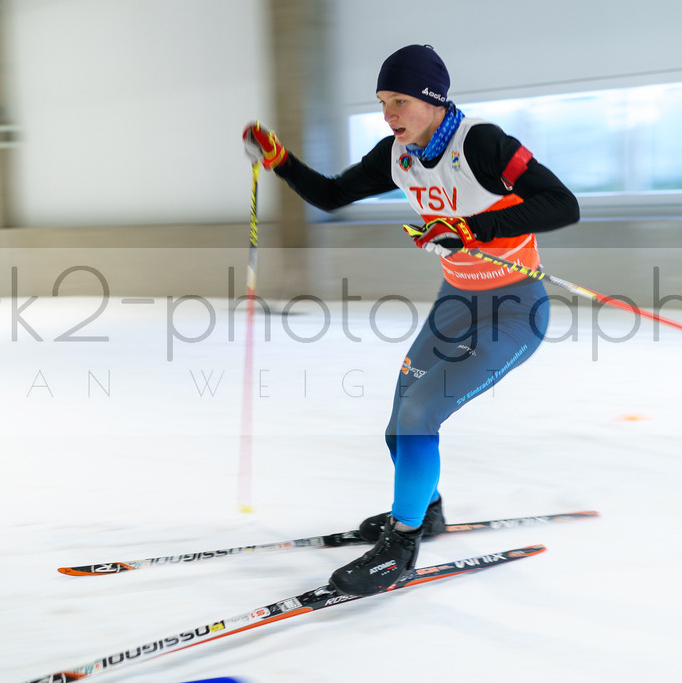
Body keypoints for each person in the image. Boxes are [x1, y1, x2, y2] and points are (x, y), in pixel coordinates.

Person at [243, 44, 579, 596]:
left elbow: (563, 203)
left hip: (515, 310)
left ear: (433, 99)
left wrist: (471, 230)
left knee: (422, 413)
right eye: (382, 102)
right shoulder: (396, 154)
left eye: (400, 100)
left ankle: (401, 548)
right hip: (457, 301)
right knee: (400, 419)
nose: (389, 113)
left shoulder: (484, 144)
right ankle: (427, 510)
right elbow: (330, 194)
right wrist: (279, 159)